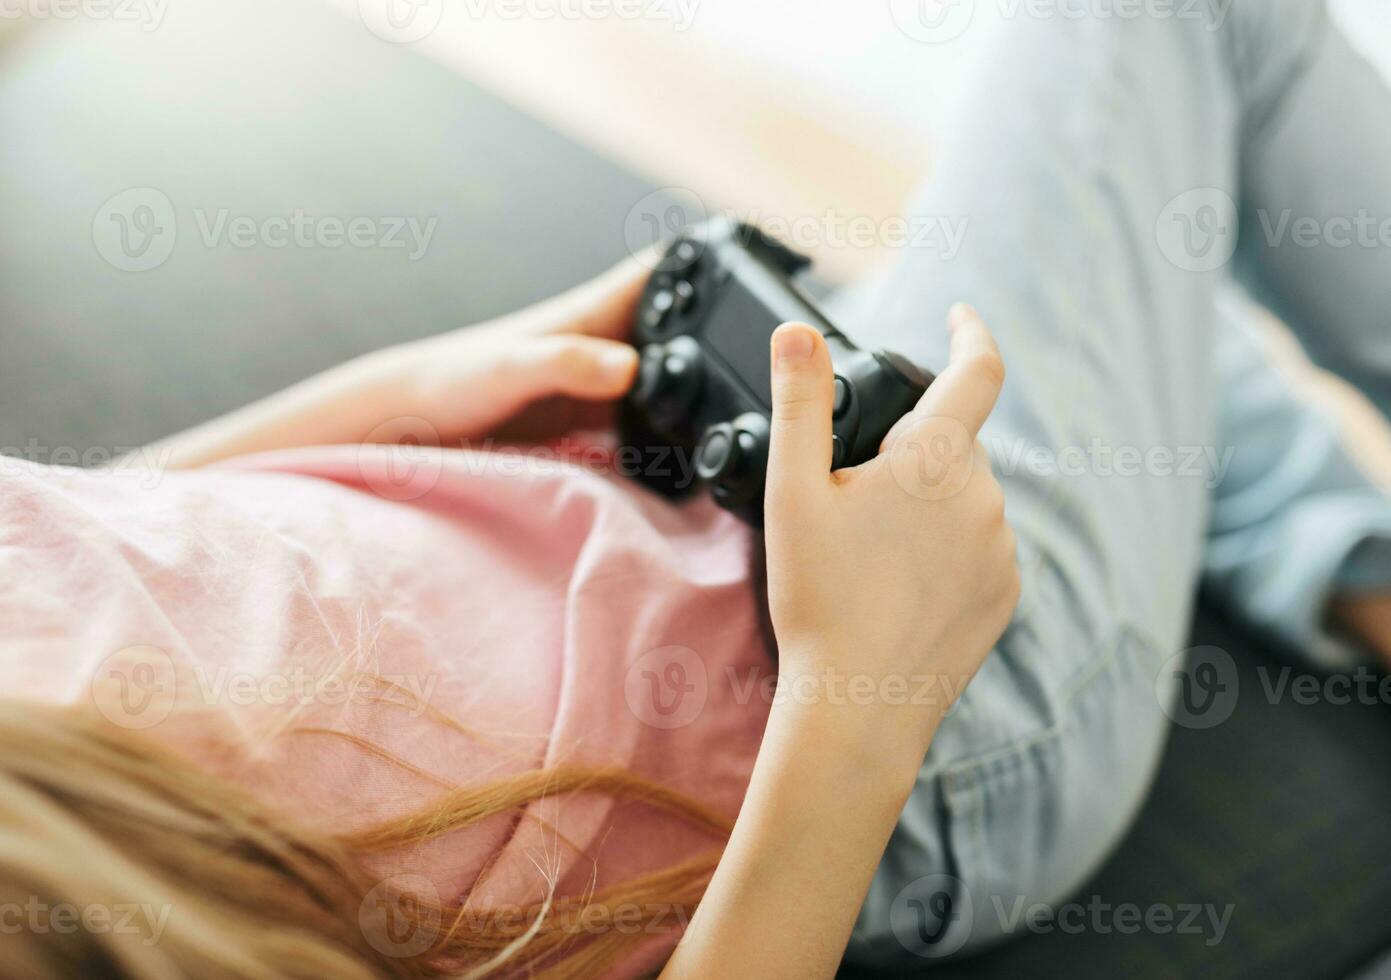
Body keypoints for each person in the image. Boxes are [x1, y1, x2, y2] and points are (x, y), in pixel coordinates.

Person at [1, 1, 1389, 977]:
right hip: (897, 730)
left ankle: (1343, 558)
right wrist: (865, 684)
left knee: (1113, 296)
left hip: (655, 498)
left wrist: (413, 399)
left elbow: (82, 550)